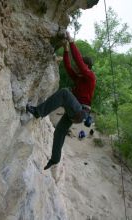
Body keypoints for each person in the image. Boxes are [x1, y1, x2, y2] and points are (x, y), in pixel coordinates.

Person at [26, 32, 96, 170]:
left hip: (81, 111)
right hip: (75, 112)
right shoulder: (79, 78)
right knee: (59, 131)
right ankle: (55, 159)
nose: (78, 67)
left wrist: (71, 41)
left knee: (64, 92)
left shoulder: (90, 76)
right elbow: (69, 67)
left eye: (82, 65)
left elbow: (78, 63)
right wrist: (65, 49)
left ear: (87, 67)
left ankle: (38, 111)